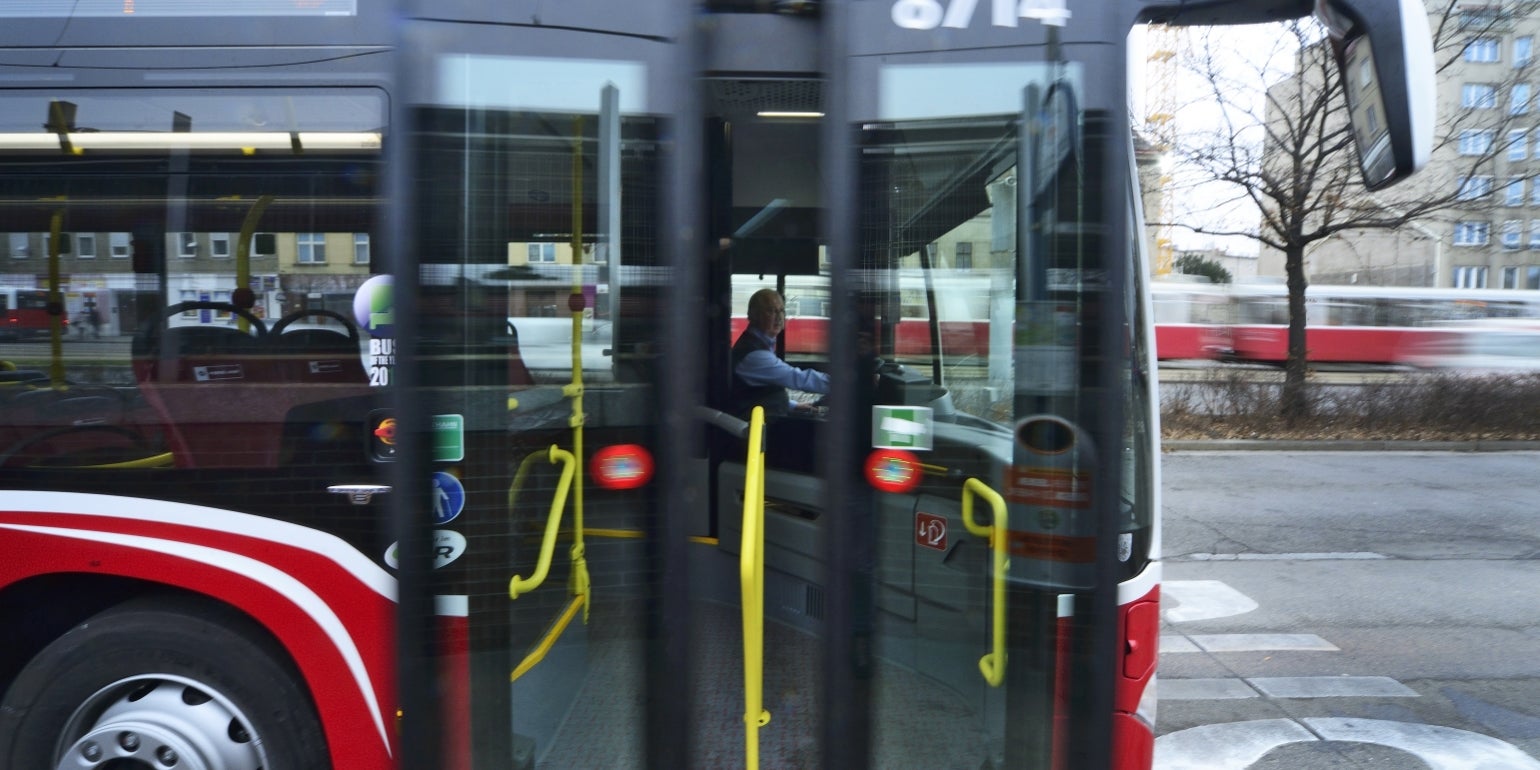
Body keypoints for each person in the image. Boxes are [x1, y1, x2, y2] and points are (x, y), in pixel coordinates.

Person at [730, 288, 829, 418]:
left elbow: (759, 393)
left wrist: (793, 405)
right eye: (771, 311)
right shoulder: (754, 355)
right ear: (754, 316)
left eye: (781, 310)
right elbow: (797, 378)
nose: (779, 317)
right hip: (756, 425)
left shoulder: (758, 344)